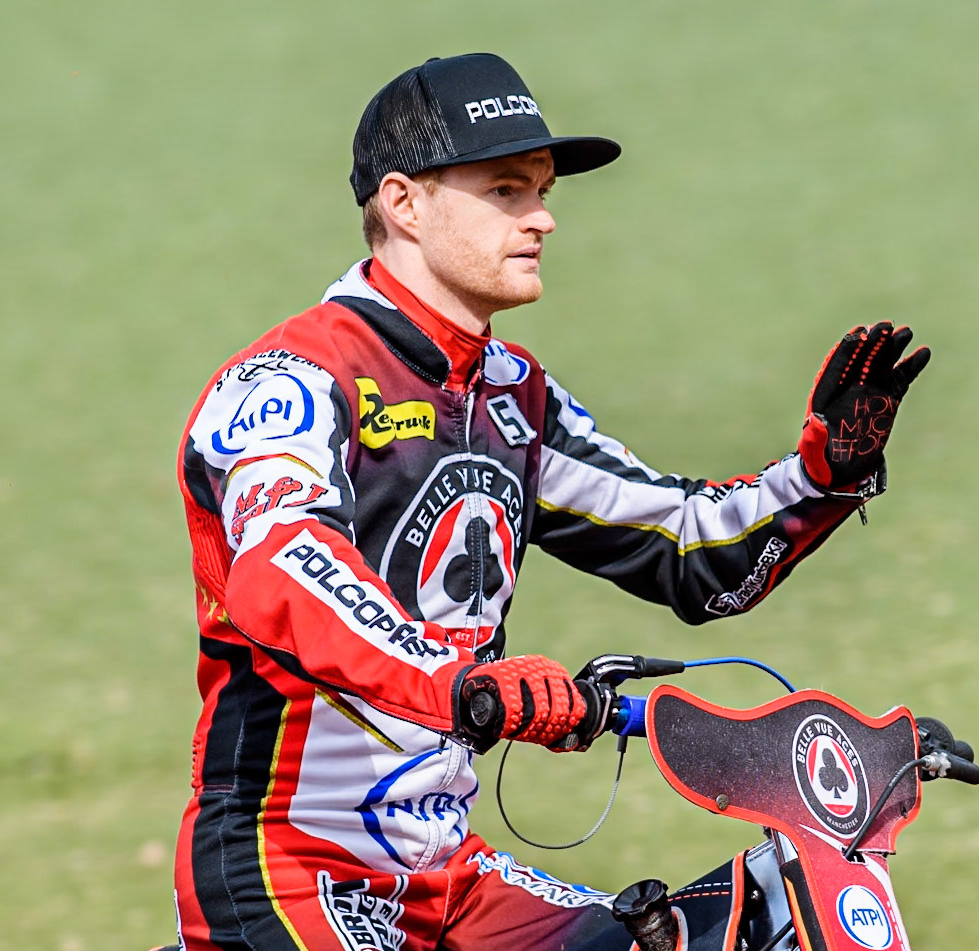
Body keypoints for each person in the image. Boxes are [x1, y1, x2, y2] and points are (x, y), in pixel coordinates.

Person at [170, 52, 930, 951]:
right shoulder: (293, 381)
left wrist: (821, 477)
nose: (544, 217)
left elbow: (688, 547)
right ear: (405, 202)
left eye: (541, 189)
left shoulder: (514, 396)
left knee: (706, 932)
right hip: (286, 869)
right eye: (506, 189)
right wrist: (463, 682)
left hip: (447, 869)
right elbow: (284, 570)